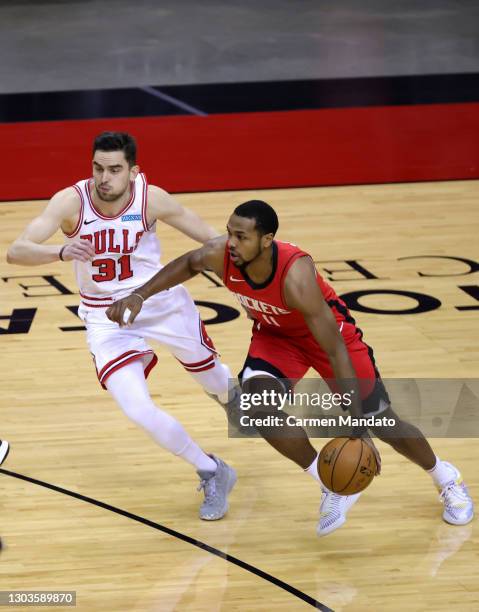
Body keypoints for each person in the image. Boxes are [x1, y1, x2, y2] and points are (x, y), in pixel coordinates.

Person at [106, 199, 474, 536]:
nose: (230, 242)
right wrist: (140, 294)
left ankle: (446, 478)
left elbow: (334, 350)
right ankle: (329, 483)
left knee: (380, 418)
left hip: (331, 342)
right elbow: (188, 263)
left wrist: (358, 428)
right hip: (276, 337)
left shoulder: (296, 276)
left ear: (266, 240)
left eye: (241, 236)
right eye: (230, 232)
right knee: (255, 409)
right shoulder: (222, 254)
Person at [6, 132, 237, 521]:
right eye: (98, 168)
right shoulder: (71, 202)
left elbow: (211, 239)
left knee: (219, 385)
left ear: (133, 171)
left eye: (115, 169)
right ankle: (212, 469)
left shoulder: (151, 198)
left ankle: (238, 401)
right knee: (137, 408)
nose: (104, 177)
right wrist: (59, 251)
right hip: (106, 315)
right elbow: (16, 251)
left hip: (159, 302)